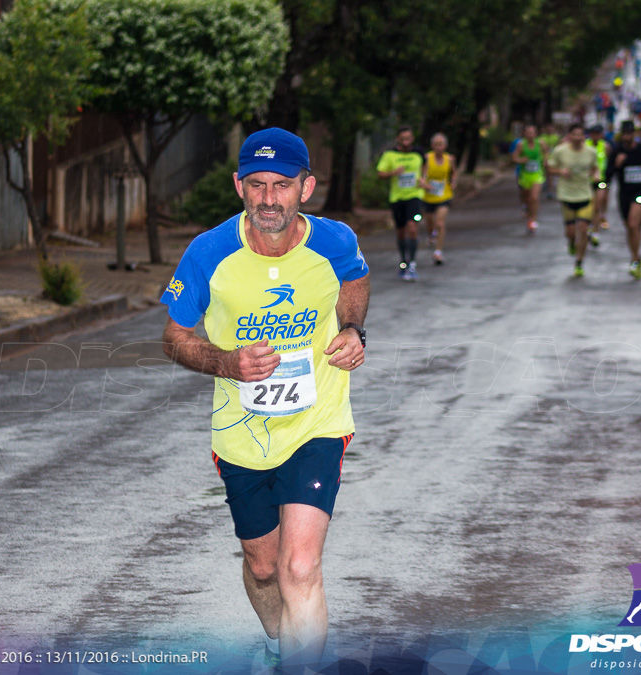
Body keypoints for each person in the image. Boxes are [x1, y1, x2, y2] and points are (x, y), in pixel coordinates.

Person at [160, 127, 370, 671]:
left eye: (282, 185)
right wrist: (227, 363)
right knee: (263, 567)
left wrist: (352, 329)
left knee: (300, 567)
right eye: (257, 185)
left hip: (316, 423)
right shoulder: (209, 251)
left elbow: (354, 281)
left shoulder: (335, 240)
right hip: (241, 431)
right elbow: (175, 338)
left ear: (307, 187)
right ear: (238, 186)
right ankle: (283, 648)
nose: (268, 198)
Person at [548, 123, 599, 277]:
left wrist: (595, 175)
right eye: (575, 134)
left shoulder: (591, 151)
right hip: (566, 195)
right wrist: (560, 171)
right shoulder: (560, 151)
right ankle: (571, 243)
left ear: (584, 136)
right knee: (571, 233)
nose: (578, 138)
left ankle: (579, 262)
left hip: (585, 194)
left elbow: (595, 168)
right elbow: (549, 168)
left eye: (581, 134)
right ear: (569, 136)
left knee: (583, 229)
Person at [606, 120, 641, 279]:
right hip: (624, 194)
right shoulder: (617, 151)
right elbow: (607, 175)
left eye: (630, 133)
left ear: (635, 134)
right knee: (630, 227)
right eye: (625, 133)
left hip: (640, 192)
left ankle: (634, 260)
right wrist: (617, 164)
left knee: (634, 224)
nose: (628, 136)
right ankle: (635, 257)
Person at [376, 126, 424, 280]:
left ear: (412, 139)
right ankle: (403, 261)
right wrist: (393, 173)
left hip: (414, 196)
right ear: (398, 139)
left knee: (413, 227)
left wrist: (424, 179)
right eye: (402, 138)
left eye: (408, 138)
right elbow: (380, 173)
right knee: (401, 231)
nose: (405, 141)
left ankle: (413, 263)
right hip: (397, 198)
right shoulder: (390, 155)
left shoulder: (418, 154)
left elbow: (425, 167)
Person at [421, 133, 457, 265]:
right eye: (436, 144)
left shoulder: (450, 159)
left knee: (440, 223)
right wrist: (423, 183)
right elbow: (421, 174)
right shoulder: (427, 158)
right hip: (428, 195)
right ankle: (431, 235)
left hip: (444, 194)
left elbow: (453, 173)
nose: (438, 147)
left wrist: (453, 182)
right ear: (432, 146)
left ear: (445, 146)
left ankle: (438, 252)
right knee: (429, 220)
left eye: (441, 144)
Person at [511, 124, 547, 234]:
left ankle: (533, 220)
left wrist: (545, 161)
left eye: (532, 132)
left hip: (537, 174)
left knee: (534, 197)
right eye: (528, 132)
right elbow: (514, 157)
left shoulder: (540, 143)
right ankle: (526, 209)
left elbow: (546, 153)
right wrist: (522, 160)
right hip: (525, 175)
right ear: (524, 134)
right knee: (526, 197)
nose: (530, 135)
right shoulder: (521, 145)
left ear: (536, 134)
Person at [586, 124, 612, 239]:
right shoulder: (585, 145)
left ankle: (595, 230)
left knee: (598, 204)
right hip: (586, 180)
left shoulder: (605, 146)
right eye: (593, 134)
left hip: (601, 180)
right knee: (588, 205)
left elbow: (609, 163)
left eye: (598, 134)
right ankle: (589, 226)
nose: (596, 136)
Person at [538, 123, 561, 199]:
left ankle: (549, 190)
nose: (549, 130)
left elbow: (559, 146)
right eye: (548, 128)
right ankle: (545, 185)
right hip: (543, 158)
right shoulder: (541, 138)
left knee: (550, 175)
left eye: (551, 128)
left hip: (552, 159)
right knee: (544, 174)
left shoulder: (556, 137)